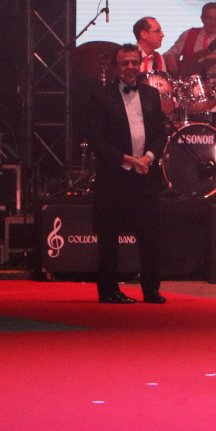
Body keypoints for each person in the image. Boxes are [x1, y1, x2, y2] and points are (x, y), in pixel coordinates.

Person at [86, 45, 169, 304]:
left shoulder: (152, 94)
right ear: (116, 66)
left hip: (146, 173)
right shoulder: (101, 97)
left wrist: (147, 158)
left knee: (151, 234)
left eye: (134, 63)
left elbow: (160, 134)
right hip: (114, 175)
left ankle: (151, 289)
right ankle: (109, 290)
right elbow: (96, 139)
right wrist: (127, 160)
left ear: (140, 64)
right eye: (125, 64)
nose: (130, 68)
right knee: (109, 234)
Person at [165, 2, 216, 77]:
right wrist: (170, 58)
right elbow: (171, 53)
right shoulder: (189, 34)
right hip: (191, 84)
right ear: (202, 19)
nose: (213, 23)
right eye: (209, 18)